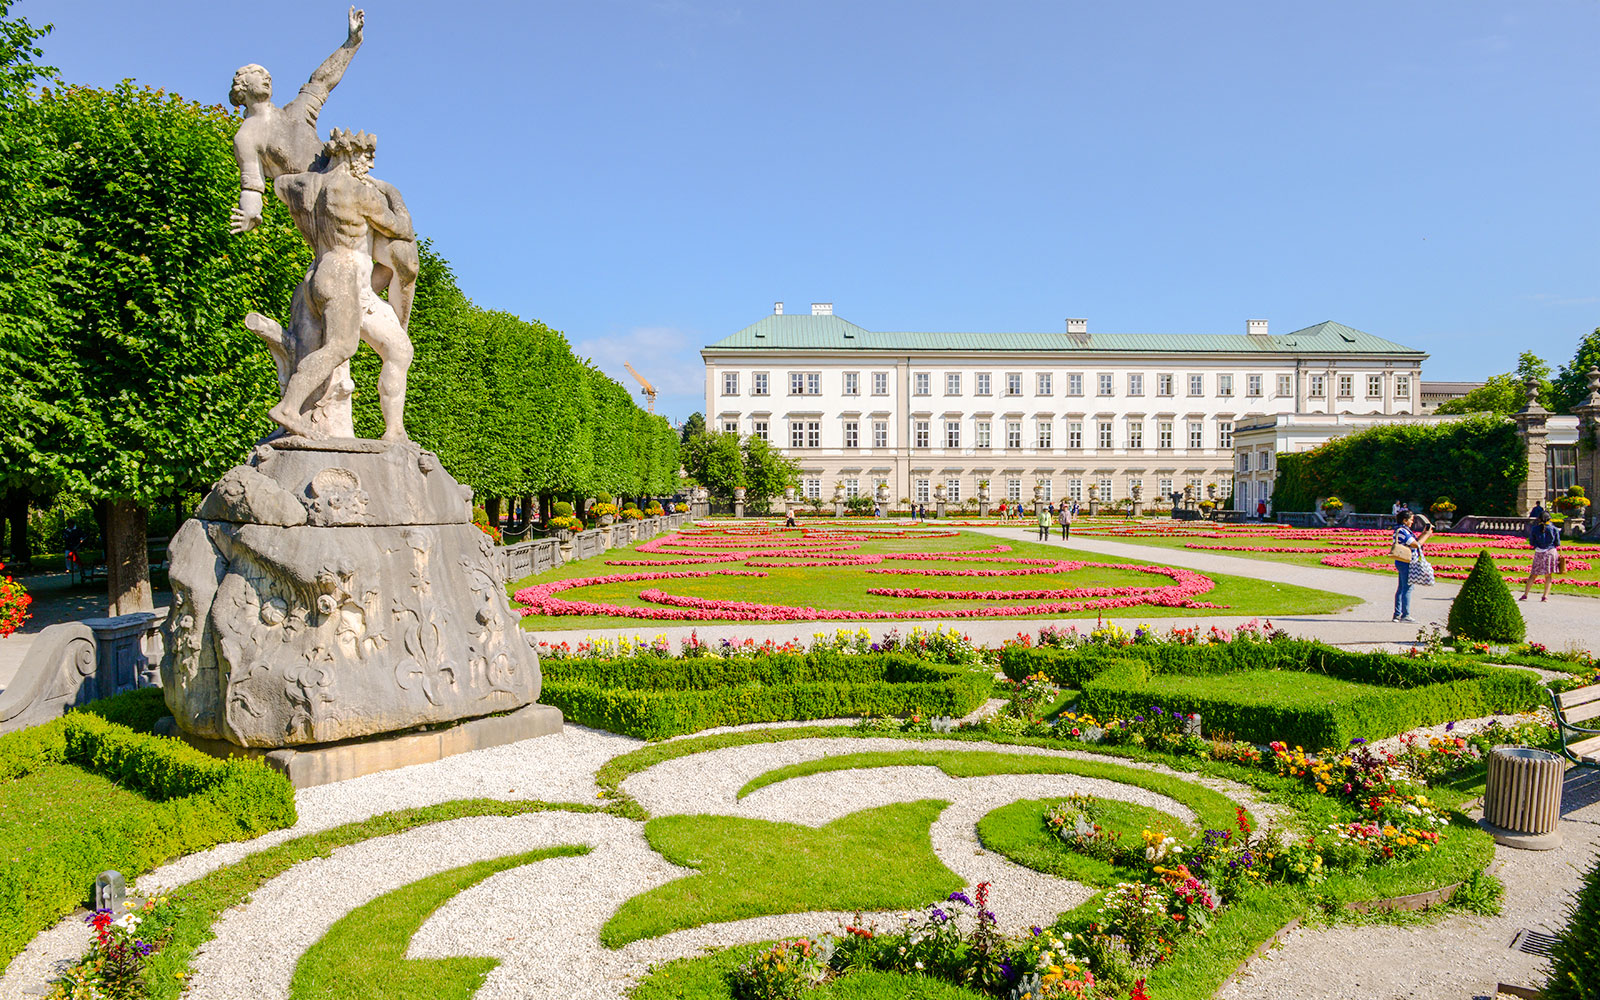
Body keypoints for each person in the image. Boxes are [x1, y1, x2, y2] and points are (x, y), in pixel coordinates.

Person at [267, 129, 415, 439]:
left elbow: (279, 184)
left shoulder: (302, 184)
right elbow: (401, 229)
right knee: (341, 346)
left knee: (399, 351)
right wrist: (393, 193)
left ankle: (395, 431)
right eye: (366, 156)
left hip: (319, 271)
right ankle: (289, 407)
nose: (369, 165)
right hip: (346, 274)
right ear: (348, 154)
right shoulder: (360, 193)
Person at [1392, 511, 1430, 623]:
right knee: (1407, 588)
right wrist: (1427, 536)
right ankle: (1405, 615)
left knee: (1401, 588)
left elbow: (1414, 541)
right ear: (1405, 520)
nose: (1412, 522)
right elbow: (1415, 545)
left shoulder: (1401, 530)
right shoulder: (1403, 531)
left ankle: (1397, 614)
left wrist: (1423, 533)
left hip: (1401, 561)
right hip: (1406, 562)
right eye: (1411, 519)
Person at [1522, 510, 1561, 602]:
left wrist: (1537, 545)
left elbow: (1532, 542)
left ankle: (1525, 594)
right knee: (1548, 576)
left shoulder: (1535, 529)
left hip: (1539, 552)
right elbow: (1557, 543)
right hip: (1550, 552)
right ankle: (1545, 596)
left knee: (1533, 574)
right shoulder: (1554, 529)